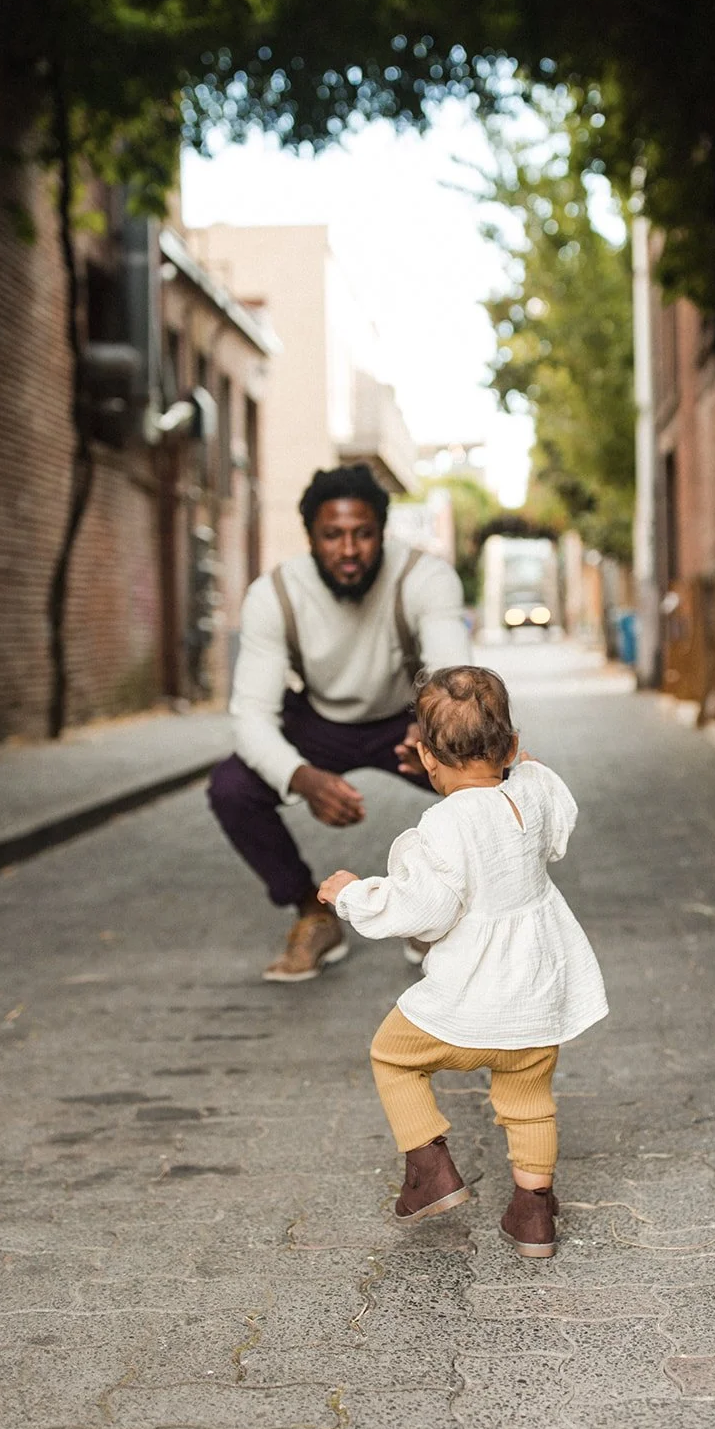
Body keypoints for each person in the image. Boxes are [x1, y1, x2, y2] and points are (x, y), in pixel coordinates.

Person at [317, 665, 607, 1259]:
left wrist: (351, 895)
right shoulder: (534, 791)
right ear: (512, 746)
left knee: (392, 1056)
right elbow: (553, 812)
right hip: (536, 996)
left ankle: (430, 1170)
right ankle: (533, 1213)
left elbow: (424, 910)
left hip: (470, 1000)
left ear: (426, 757)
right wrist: (517, 765)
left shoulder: (443, 825)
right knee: (529, 1101)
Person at [208, 464, 471, 982]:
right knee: (232, 788)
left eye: (363, 534)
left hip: (406, 721)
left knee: (493, 780)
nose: (349, 550)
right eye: (332, 535)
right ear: (310, 536)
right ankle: (313, 913)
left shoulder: (424, 577)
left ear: (382, 532)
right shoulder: (274, 594)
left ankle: (439, 912)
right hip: (320, 722)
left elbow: (455, 679)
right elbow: (251, 716)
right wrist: (301, 778)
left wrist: (432, 728)